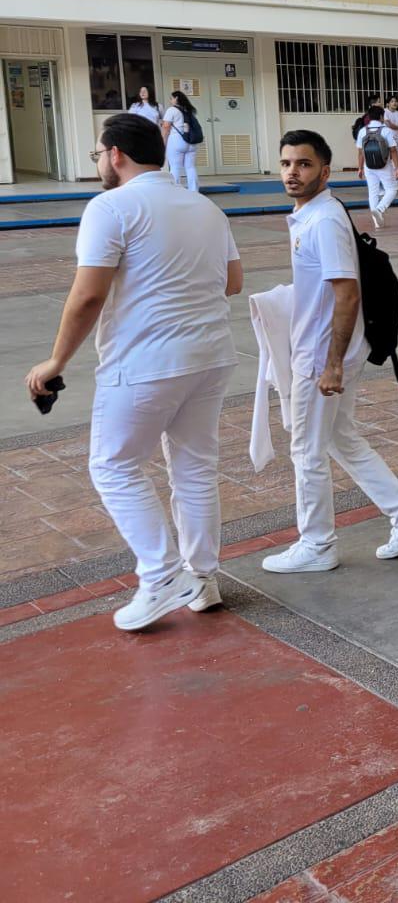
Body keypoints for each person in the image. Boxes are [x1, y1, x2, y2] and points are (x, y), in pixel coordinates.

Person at [24, 114, 241, 629]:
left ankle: (162, 575)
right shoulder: (206, 208)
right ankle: (201, 579)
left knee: (114, 466)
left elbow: (89, 294)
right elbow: (231, 281)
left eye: (99, 153)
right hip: (210, 356)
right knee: (193, 468)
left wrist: (56, 362)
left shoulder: (111, 207)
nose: (99, 162)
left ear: (116, 153)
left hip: (145, 361)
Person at [264, 132, 398, 573]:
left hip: (323, 354)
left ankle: (318, 544)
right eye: (286, 163)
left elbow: (347, 293)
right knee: (341, 438)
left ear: (324, 170)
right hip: (325, 347)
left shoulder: (322, 220)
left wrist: (332, 364)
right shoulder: (308, 213)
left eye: (303, 164)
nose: (292, 172)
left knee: (306, 451)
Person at [355, 103, 398, 230]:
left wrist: (360, 168)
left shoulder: (363, 131)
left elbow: (360, 152)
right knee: (392, 189)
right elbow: (393, 150)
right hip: (384, 165)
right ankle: (380, 209)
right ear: (381, 116)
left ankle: (376, 222)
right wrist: (397, 167)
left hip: (369, 166)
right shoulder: (386, 130)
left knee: (373, 193)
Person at [161, 90, 201, 191]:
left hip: (177, 141)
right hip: (191, 143)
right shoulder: (189, 110)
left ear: (176, 99)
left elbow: (166, 127)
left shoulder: (172, 110)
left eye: (171, 98)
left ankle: (175, 191)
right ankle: (194, 191)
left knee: (175, 167)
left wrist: (163, 142)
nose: (170, 100)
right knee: (190, 167)